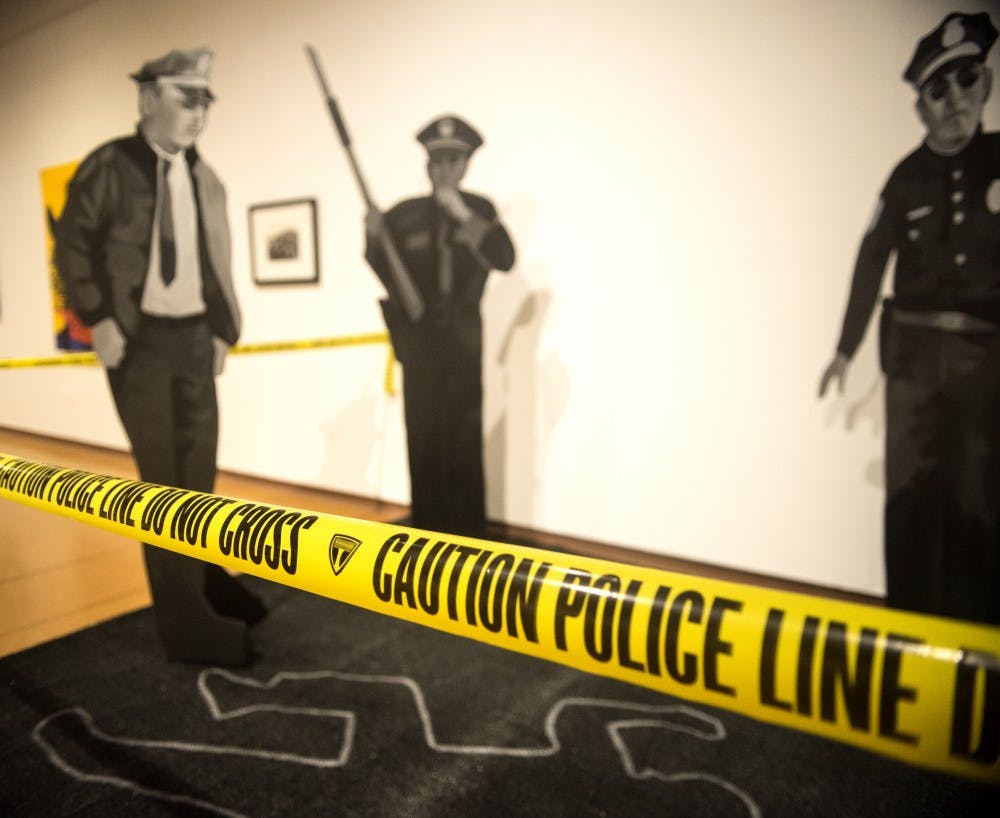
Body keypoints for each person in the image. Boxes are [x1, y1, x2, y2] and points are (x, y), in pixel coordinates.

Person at [55, 47, 265, 664]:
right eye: (185, 98)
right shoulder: (109, 167)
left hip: (194, 338)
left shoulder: (205, 178)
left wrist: (224, 328)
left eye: (205, 101)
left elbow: (216, 261)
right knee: (161, 487)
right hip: (139, 343)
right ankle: (184, 622)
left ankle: (201, 586)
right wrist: (96, 317)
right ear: (148, 100)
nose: (198, 114)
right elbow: (73, 242)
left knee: (199, 480)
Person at [818, 12, 1000, 626]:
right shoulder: (905, 178)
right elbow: (871, 261)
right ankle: (906, 635)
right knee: (910, 495)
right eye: (938, 90)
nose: (955, 102)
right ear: (920, 107)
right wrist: (845, 350)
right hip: (915, 360)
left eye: (967, 80)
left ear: (987, 85)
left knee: (979, 499)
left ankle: (977, 650)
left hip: (986, 360)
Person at [365, 115, 516, 538]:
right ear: (427, 165)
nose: (445, 170)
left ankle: (471, 539)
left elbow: (504, 258)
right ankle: (428, 536)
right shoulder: (404, 214)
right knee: (424, 437)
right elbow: (387, 271)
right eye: (438, 162)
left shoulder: (481, 209)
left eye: (454, 161)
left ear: (467, 165)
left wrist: (462, 215)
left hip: (464, 335)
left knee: (465, 439)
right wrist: (374, 239)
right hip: (420, 339)